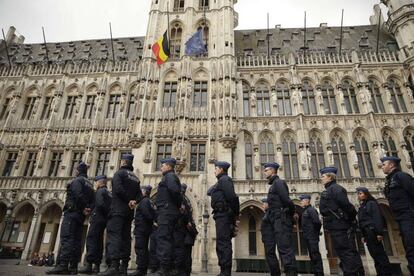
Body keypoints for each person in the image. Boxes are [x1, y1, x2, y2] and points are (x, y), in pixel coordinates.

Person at [47, 162, 95, 275]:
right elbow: (93, 200)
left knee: (67, 238)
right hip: (81, 215)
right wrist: (88, 208)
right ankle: (73, 267)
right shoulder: (90, 184)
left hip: (72, 212)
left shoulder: (77, 181)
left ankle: (63, 265)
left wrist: (84, 207)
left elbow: (78, 195)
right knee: (76, 240)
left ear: (77, 171)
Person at [99, 154, 141, 276]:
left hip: (117, 210)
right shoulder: (135, 178)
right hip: (129, 212)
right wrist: (134, 201)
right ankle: (124, 267)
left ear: (123, 162)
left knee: (114, 236)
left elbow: (117, 189)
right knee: (125, 238)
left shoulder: (119, 174)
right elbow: (139, 194)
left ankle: (114, 266)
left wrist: (128, 200)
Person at [319, 167, 364, 276]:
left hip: (341, 226)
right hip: (336, 226)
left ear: (330, 177)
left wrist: (351, 217)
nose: (321, 179)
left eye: (323, 176)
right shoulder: (330, 190)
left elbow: (347, 206)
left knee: (346, 252)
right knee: (343, 252)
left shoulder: (336, 189)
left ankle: (352, 273)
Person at [263, 162, 297, 276]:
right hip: (274, 219)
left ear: (273, 171)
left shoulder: (279, 183)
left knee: (285, 250)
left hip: (281, 219)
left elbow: (287, 201)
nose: (265, 172)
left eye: (266, 170)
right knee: (271, 251)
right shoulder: (273, 185)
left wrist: (291, 214)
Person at [382, 156, 414, 275]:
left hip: (409, 216)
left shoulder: (402, 176)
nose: (382, 166)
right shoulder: (389, 180)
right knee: (408, 247)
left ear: (391, 165)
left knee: (411, 247)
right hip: (400, 217)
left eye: (384, 164)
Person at [208, 161, 240, 276]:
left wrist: (235, 215)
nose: (214, 171)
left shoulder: (225, 180)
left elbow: (232, 197)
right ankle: (223, 270)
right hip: (220, 215)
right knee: (221, 243)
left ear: (221, 169)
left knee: (224, 244)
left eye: (216, 168)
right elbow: (209, 192)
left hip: (224, 215)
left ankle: (225, 272)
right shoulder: (220, 181)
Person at [154, 158, 183, 276]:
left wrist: (175, 205)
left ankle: (164, 269)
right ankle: (169, 267)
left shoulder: (169, 176)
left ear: (168, 166)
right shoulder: (170, 177)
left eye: (162, 165)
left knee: (163, 239)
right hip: (169, 211)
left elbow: (175, 192)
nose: (161, 168)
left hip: (167, 212)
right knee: (168, 240)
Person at [79, 175, 112, 274]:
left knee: (92, 240)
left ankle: (88, 265)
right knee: (99, 241)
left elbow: (100, 204)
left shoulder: (100, 191)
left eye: (96, 182)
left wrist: (93, 211)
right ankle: (96, 266)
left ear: (99, 183)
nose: (95, 184)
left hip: (97, 218)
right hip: (104, 220)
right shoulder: (108, 192)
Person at [356, 187, 392, 276]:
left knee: (380, 256)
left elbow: (377, 218)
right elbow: (362, 222)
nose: (358, 195)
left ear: (366, 194)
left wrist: (379, 233)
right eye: (358, 194)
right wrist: (363, 235)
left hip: (373, 232)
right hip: (367, 233)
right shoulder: (362, 206)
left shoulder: (371, 203)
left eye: (360, 193)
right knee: (375, 256)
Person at [129, 185, 156, 276]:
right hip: (146, 228)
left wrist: (149, 221)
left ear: (144, 192)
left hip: (142, 228)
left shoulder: (144, 202)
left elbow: (147, 214)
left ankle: (141, 269)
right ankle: (143, 268)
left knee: (140, 248)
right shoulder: (150, 201)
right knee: (144, 248)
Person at [173, 183, 198, 276]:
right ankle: (186, 271)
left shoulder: (182, 200)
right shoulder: (187, 201)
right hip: (187, 232)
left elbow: (183, 214)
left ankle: (181, 271)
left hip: (182, 230)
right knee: (187, 253)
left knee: (181, 251)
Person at [299, 195, 323, 276]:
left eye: (302, 200)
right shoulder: (306, 211)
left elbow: (317, 222)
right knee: (313, 256)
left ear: (307, 201)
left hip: (312, 236)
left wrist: (315, 233)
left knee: (315, 255)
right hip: (308, 237)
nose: (301, 202)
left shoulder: (311, 210)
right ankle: (317, 272)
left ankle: (319, 273)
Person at [260, 198, 279, 276]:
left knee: (271, 256)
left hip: (270, 238)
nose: (263, 205)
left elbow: (273, 225)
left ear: (268, 204)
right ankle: (273, 273)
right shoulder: (267, 213)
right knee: (269, 256)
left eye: (264, 203)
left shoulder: (270, 213)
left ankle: (275, 274)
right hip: (267, 238)